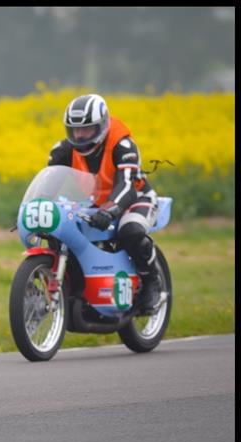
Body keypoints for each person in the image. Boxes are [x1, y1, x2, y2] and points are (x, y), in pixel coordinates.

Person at [48, 93, 162, 314]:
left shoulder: (124, 145)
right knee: (58, 233)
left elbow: (127, 186)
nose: (80, 136)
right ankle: (78, 288)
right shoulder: (62, 150)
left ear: (102, 125)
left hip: (136, 199)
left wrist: (109, 210)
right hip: (93, 204)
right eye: (74, 130)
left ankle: (152, 282)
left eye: (87, 129)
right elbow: (49, 182)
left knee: (130, 231)